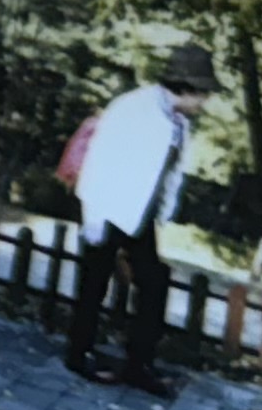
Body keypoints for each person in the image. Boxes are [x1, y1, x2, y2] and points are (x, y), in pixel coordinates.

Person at [64, 41, 216, 389]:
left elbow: (172, 173)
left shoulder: (179, 122)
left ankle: (139, 364)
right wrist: (93, 217)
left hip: (139, 215)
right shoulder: (133, 108)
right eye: (203, 94)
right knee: (94, 284)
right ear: (187, 88)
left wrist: (163, 212)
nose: (204, 102)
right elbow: (99, 161)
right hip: (106, 209)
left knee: (153, 283)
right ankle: (78, 354)